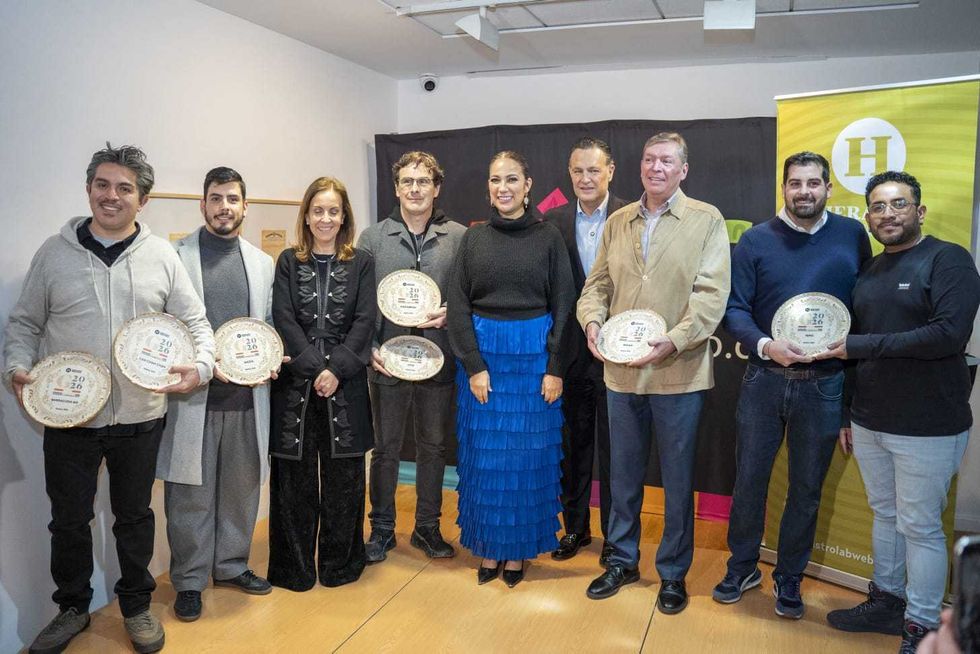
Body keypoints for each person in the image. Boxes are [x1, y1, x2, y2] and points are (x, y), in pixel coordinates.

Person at [3, 143, 215, 654]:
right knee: (69, 520)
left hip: (140, 416)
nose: (111, 196)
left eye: (125, 188)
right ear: (89, 190)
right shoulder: (54, 254)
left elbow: (197, 325)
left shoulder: (163, 256)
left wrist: (201, 367)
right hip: (68, 416)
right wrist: (16, 365)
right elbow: (25, 324)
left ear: (143, 200)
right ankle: (71, 608)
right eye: (103, 185)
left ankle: (137, 607)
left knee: (135, 517)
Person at [818, 171, 980, 653]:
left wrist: (857, 346)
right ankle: (887, 601)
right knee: (885, 515)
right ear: (867, 217)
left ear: (919, 211)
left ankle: (923, 625)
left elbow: (948, 335)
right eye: (878, 207)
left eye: (898, 204)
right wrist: (848, 412)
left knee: (921, 526)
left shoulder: (949, 260)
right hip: (870, 420)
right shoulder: (869, 271)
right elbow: (856, 347)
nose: (887, 214)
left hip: (928, 425)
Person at [712, 152, 871, 619]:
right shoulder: (757, 240)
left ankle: (789, 579)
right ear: (783, 187)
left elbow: (861, 309)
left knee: (805, 490)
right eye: (796, 183)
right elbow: (734, 310)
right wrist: (765, 345)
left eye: (814, 183)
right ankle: (742, 566)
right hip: (764, 380)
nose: (805, 191)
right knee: (749, 484)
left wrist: (848, 409)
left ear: (829, 189)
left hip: (825, 386)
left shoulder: (852, 236)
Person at [577, 132, 730, 613]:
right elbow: (596, 285)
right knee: (621, 476)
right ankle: (621, 560)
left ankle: (672, 573)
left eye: (667, 161)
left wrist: (674, 339)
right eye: (648, 159)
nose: (656, 167)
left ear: (683, 170)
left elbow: (711, 297)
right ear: (638, 166)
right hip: (621, 377)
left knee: (679, 479)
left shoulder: (706, 220)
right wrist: (592, 321)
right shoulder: (618, 221)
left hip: (678, 372)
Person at [448, 150, 575, 587]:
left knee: (527, 463)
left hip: (535, 363)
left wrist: (555, 366)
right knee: (485, 461)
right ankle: (488, 547)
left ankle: (518, 553)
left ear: (528, 185)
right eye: (495, 179)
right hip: (483, 366)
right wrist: (474, 365)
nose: (503, 187)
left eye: (512, 179)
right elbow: (459, 306)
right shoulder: (474, 239)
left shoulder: (548, 237)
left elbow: (564, 303)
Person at [157, 167, 277, 622]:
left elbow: (263, 326)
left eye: (232, 199)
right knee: (190, 494)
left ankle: (230, 565)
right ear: (202, 204)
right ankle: (189, 580)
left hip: (248, 399)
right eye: (215, 198)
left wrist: (267, 357)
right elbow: (167, 327)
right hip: (194, 399)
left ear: (245, 206)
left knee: (242, 489)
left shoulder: (261, 262)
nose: (224, 206)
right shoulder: (175, 256)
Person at [267, 176, 376, 591]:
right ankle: (293, 569)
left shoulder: (362, 261)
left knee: (344, 481)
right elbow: (284, 318)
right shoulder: (288, 261)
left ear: (343, 215)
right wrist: (316, 369)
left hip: (345, 384)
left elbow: (366, 321)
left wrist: (337, 369)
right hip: (297, 384)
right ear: (307, 216)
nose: (325, 218)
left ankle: (340, 565)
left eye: (333, 210)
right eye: (318, 211)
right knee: (293, 483)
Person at [358, 151, 465, 563]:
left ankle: (426, 528)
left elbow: (468, 297)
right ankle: (381, 529)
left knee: (434, 447)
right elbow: (359, 303)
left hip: (438, 361)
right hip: (387, 361)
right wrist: (368, 350)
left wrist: (452, 313)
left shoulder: (458, 237)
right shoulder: (372, 238)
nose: (415, 189)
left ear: (436, 188)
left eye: (423, 181)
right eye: (407, 181)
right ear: (397, 188)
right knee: (385, 448)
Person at [544, 137, 626, 565]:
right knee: (573, 448)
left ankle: (617, 537)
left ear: (610, 171)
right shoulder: (552, 221)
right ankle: (575, 528)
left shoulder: (633, 215)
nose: (585, 178)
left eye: (594, 170)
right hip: (571, 356)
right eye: (577, 171)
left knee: (616, 453)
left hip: (620, 354)